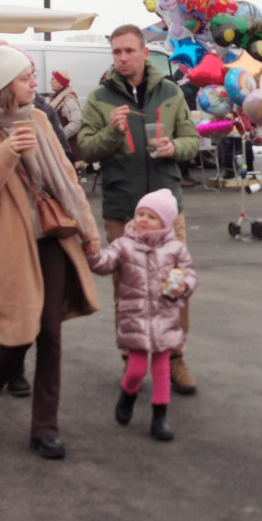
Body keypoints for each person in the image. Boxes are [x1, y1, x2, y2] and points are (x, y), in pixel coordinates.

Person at [0, 44, 100, 460]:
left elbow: (67, 181)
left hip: (53, 236)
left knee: (51, 332)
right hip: (8, 245)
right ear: (3, 84)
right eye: (25, 77)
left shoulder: (38, 116)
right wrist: (6, 152)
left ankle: (45, 428)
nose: (34, 83)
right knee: (20, 333)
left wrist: (89, 233)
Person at [78, 24, 201, 395]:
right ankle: (131, 357)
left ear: (145, 53)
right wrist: (112, 133)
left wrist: (173, 149)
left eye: (129, 51)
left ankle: (175, 356)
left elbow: (192, 140)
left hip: (166, 209)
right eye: (116, 52)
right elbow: (85, 149)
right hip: (125, 210)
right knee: (127, 289)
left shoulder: (171, 91)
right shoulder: (99, 97)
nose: (122, 58)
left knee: (174, 284)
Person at [87, 188, 197, 441]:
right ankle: (128, 394)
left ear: (165, 222)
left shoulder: (175, 248)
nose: (143, 220)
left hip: (165, 317)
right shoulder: (124, 245)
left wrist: (184, 286)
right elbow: (105, 263)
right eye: (141, 214)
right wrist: (93, 253)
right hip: (135, 318)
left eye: (151, 216)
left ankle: (160, 416)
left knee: (160, 369)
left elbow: (190, 273)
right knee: (136, 369)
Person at [48, 68, 83, 164]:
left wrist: (60, 137)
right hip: (63, 151)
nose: (50, 82)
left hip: (69, 152)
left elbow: (77, 122)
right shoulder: (59, 97)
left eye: (53, 79)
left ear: (60, 82)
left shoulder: (68, 99)